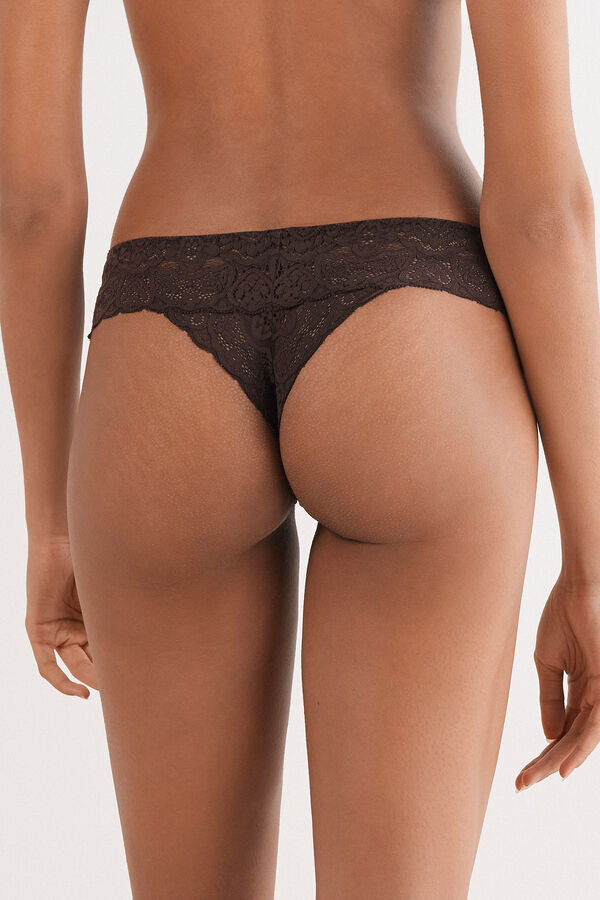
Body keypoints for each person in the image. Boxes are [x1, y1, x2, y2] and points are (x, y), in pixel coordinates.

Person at [1, 0, 599, 897]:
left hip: (161, 335)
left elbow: (29, 205)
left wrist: (50, 524)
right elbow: (545, 209)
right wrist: (592, 559)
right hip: (410, 325)